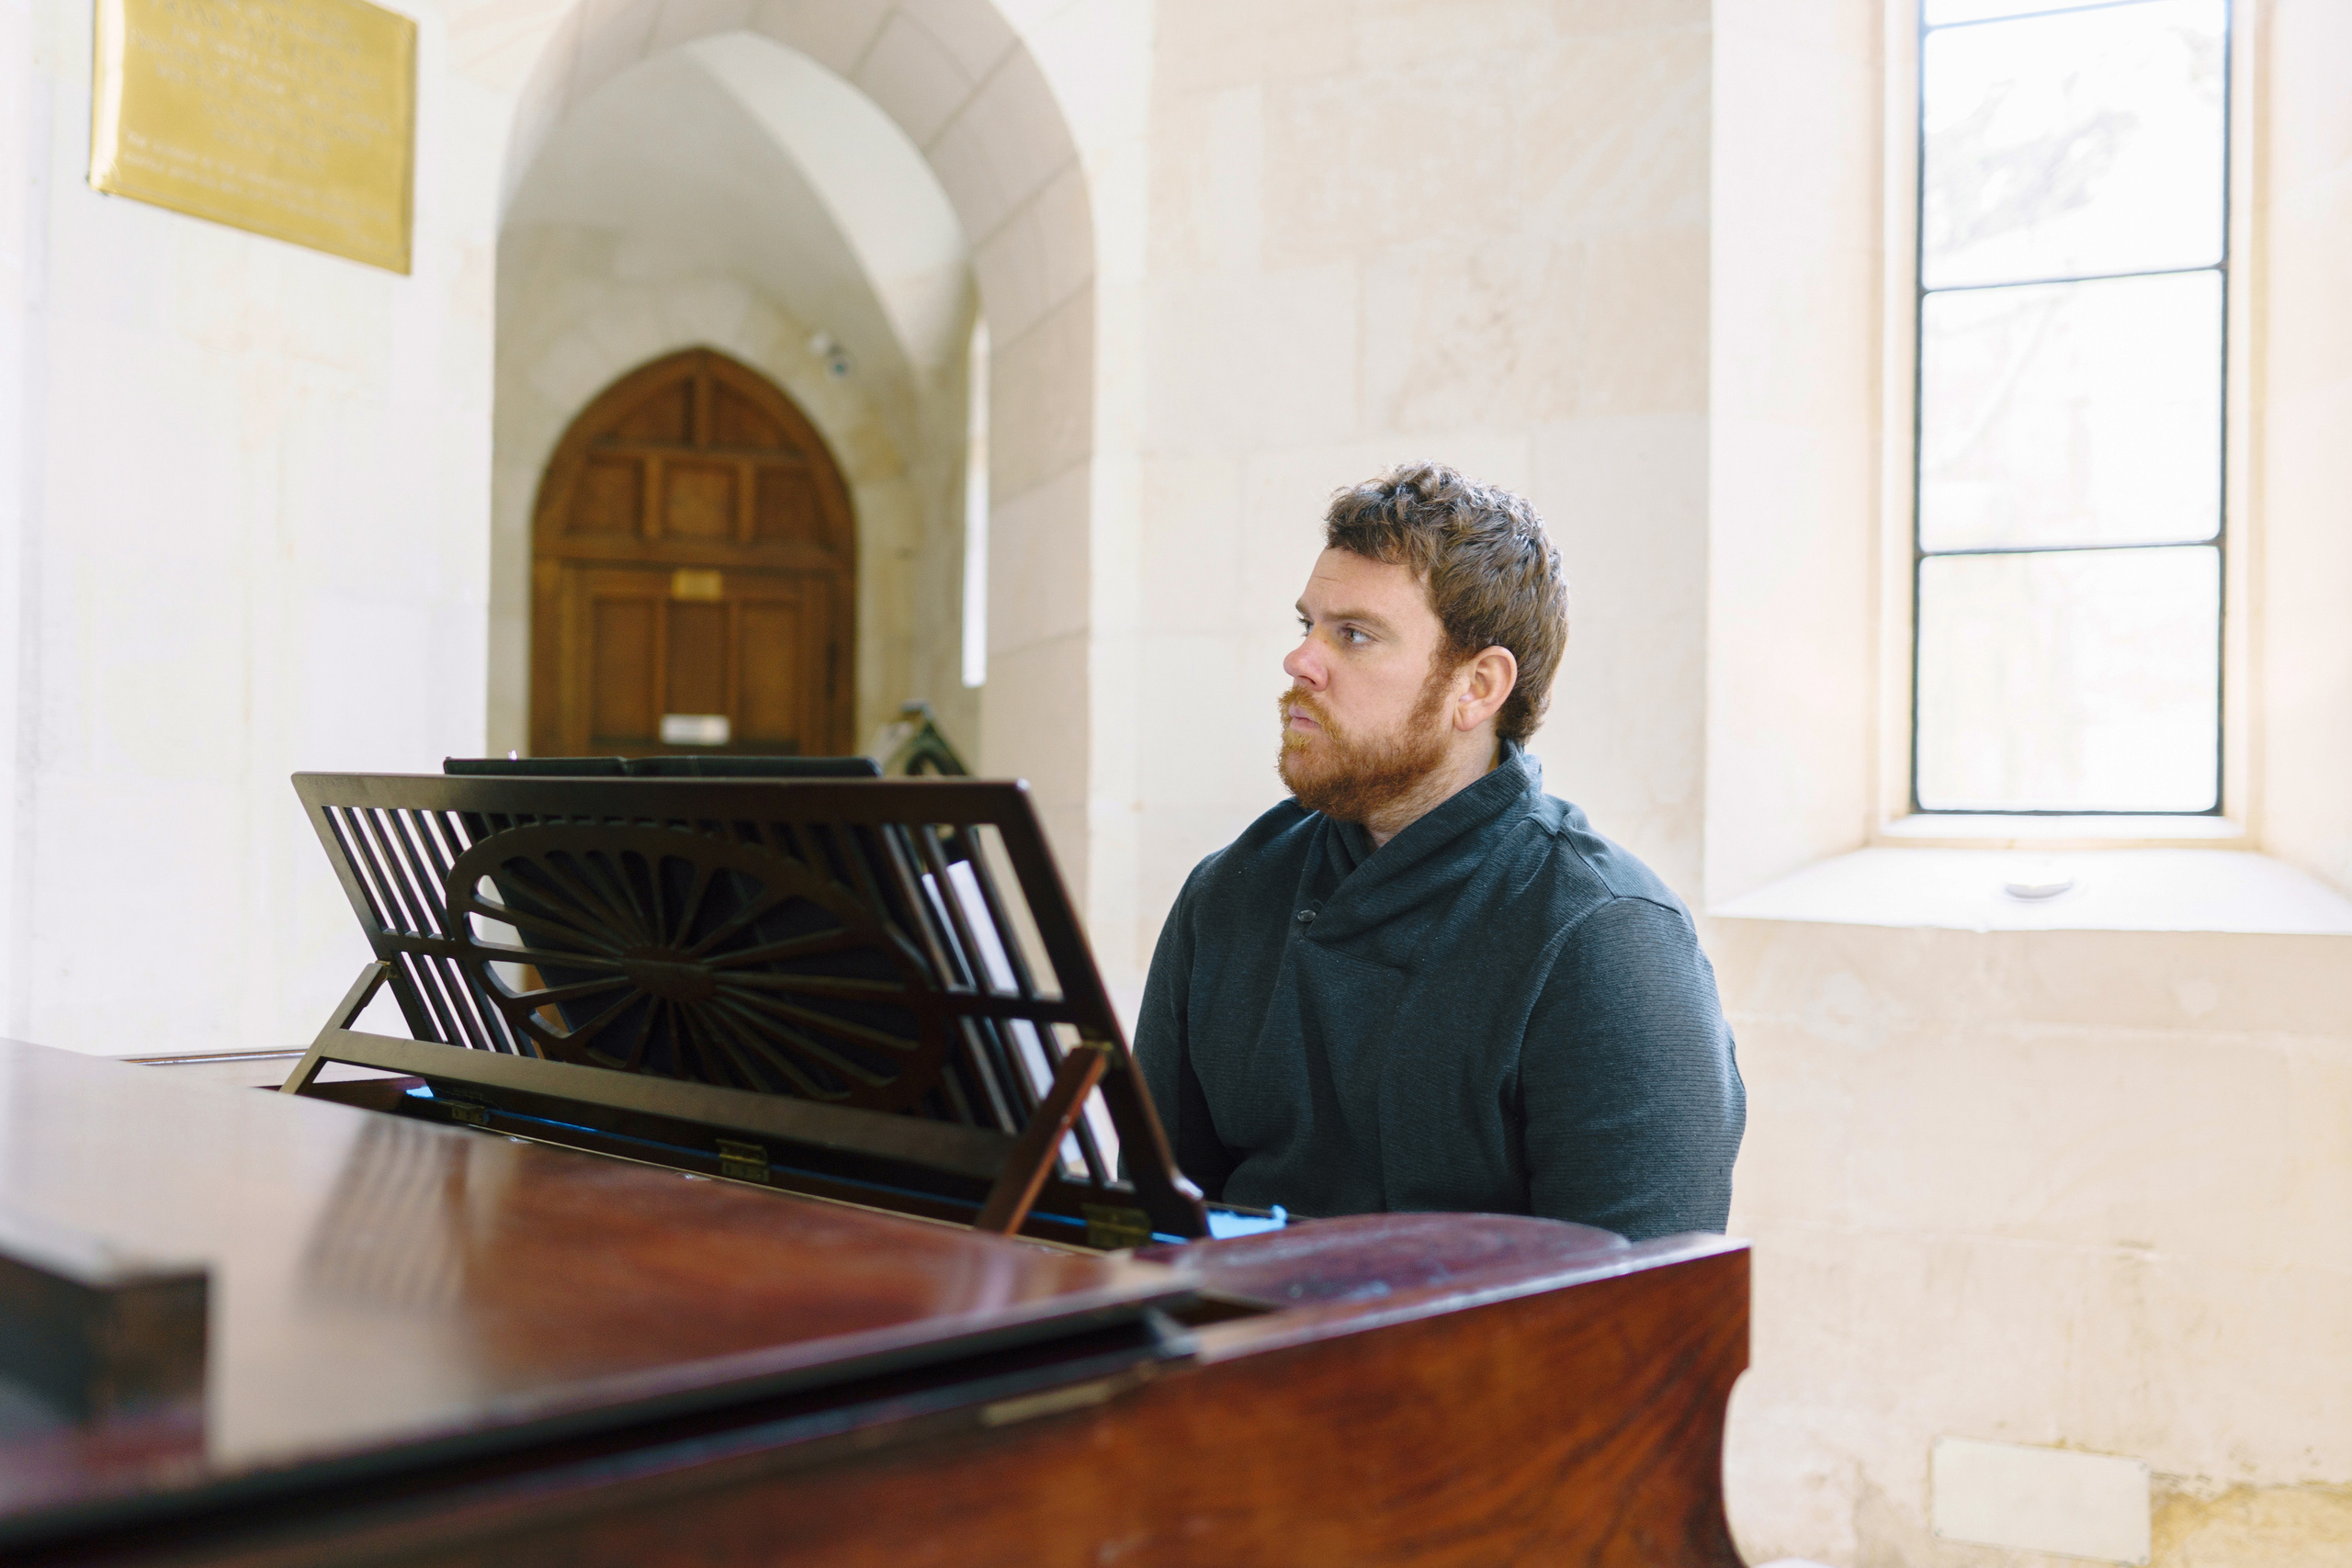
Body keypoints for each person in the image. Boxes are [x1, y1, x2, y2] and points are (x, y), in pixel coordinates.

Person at [1134, 462, 1745, 1241]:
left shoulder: (1609, 938)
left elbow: (1642, 1321)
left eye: (1353, 635)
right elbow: (1155, 1226)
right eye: (1307, 626)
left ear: (1478, 686)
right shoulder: (1227, 892)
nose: (1302, 661)